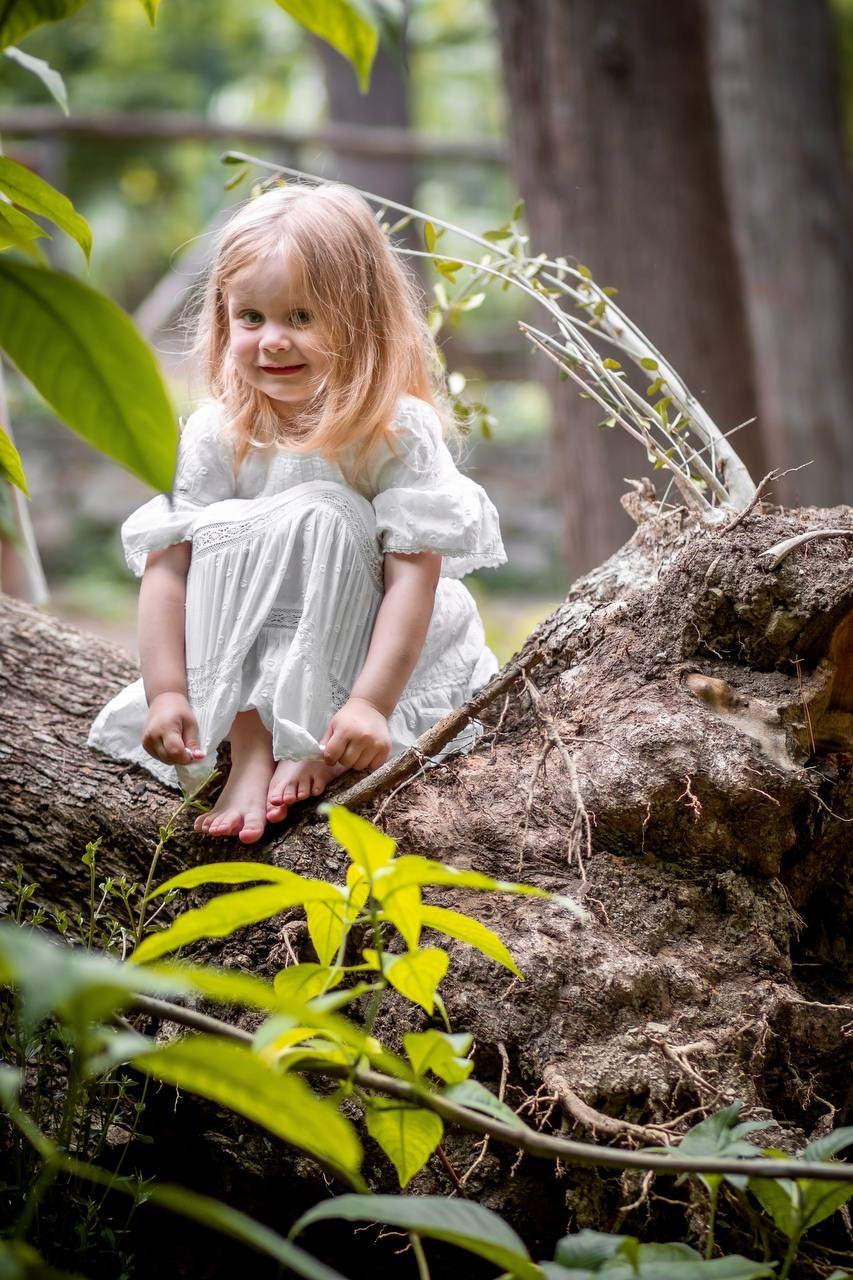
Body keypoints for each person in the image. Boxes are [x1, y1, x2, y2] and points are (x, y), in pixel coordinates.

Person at [89, 181, 506, 844]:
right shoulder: (216, 433)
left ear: (360, 321)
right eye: (250, 318)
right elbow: (169, 570)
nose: (271, 341)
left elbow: (411, 581)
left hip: (370, 649)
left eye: (302, 318)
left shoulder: (394, 430)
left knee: (323, 511)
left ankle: (318, 733)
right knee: (212, 531)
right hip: (253, 644)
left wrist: (371, 704)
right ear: (224, 320)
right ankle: (253, 744)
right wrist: (167, 691)